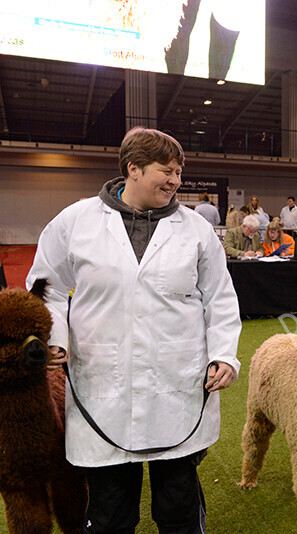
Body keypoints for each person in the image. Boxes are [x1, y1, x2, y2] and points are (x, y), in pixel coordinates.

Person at [26, 127, 241, 534]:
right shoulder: (76, 221)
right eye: (168, 170)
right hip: (104, 389)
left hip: (177, 389)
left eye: (179, 171)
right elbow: (45, 286)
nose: (176, 180)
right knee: (109, 515)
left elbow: (220, 299)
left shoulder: (195, 230)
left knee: (179, 510)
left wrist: (225, 355)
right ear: (133, 170)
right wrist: (53, 339)